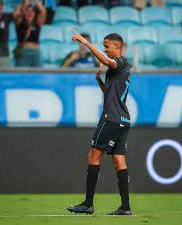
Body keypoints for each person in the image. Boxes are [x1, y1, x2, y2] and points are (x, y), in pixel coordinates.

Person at [67, 31, 132, 215]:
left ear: (117, 47)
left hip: (110, 119)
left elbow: (108, 61)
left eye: (107, 46)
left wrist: (86, 43)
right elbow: (110, 94)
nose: (105, 49)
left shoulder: (119, 62)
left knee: (93, 156)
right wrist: (98, 80)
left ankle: (88, 204)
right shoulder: (122, 68)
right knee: (119, 161)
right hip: (123, 120)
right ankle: (125, 207)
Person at [13, 0, 46, 67]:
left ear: (35, 13)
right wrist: (24, 3)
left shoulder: (37, 23)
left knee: (39, 75)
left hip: (35, 52)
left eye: (32, 11)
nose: (30, 12)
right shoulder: (20, 22)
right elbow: (15, 14)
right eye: (28, 10)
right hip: (22, 52)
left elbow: (43, 11)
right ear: (24, 12)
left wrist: (34, 1)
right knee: (21, 76)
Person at [0, 0, 13, 68]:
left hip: (4, 57)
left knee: (6, 78)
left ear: (2, 7)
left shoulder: (6, 17)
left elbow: (18, 13)